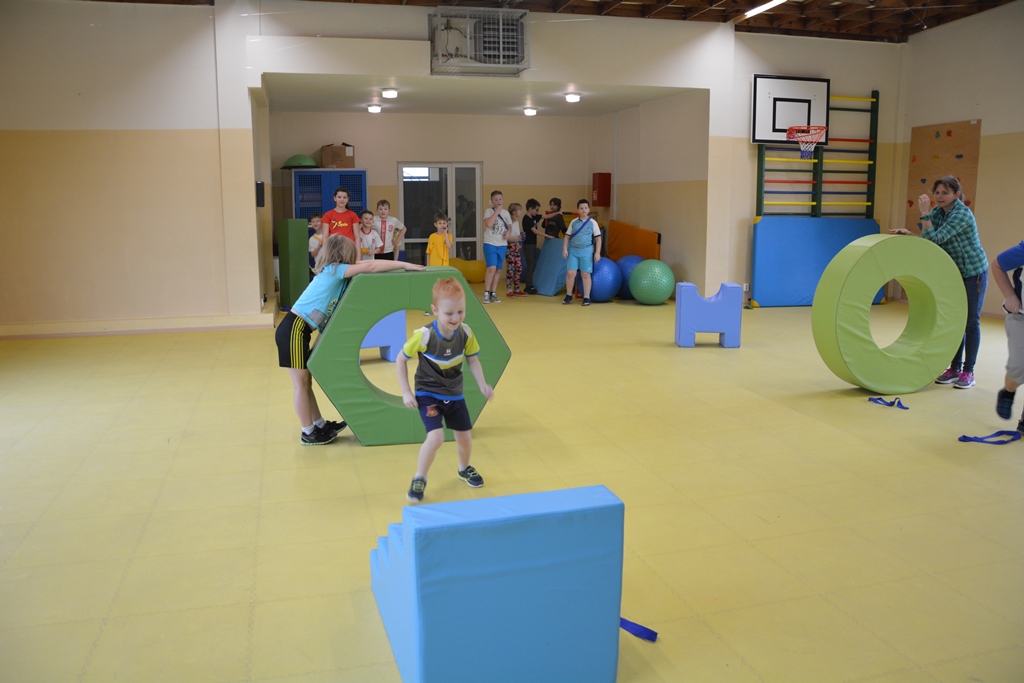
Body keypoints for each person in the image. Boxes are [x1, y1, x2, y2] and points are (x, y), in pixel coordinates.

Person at [275, 235, 424, 445]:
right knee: (301, 385)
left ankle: (319, 425)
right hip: (293, 329)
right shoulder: (334, 270)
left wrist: (400, 264)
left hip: (300, 330)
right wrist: (405, 264)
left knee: (306, 383)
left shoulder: (336, 270)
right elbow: (371, 266)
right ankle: (308, 432)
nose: (356, 257)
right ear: (343, 253)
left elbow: (369, 263)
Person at [397, 277, 494, 503]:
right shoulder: (424, 335)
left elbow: (473, 360)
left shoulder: (466, 333)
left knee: (465, 437)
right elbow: (401, 360)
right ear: (435, 310)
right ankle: (419, 477)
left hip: (454, 393)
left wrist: (482, 384)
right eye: (449, 313)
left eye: (460, 312)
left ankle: (464, 468)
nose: (455, 318)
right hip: (428, 393)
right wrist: (406, 392)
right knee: (436, 437)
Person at [890, 175, 987, 388]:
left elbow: (936, 238)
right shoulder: (937, 213)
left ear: (956, 194)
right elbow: (929, 241)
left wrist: (924, 213)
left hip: (973, 273)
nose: (940, 196)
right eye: (937, 192)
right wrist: (911, 234)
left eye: (945, 193)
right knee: (956, 321)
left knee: (971, 322)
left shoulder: (961, 214)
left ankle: (968, 372)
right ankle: (954, 368)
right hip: (954, 273)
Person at [991, 241, 1024, 429]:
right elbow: (997, 265)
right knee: (1018, 367)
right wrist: (1009, 295)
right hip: (1020, 316)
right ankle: (1008, 392)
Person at [562, 199, 603, 306]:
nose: (583, 210)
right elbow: (567, 236)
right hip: (574, 251)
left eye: (585, 208)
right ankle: (568, 295)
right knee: (571, 273)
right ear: (578, 210)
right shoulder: (573, 222)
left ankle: (586, 297)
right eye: (581, 208)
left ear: (589, 209)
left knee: (585, 274)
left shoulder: (593, 223)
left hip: (587, 251)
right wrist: (565, 249)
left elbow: (598, 239)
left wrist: (597, 252)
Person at [482, 190, 512, 304]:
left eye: (500, 199)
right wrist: (497, 211)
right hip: (490, 243)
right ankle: (486, 292)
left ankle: (493, 293)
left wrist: (508, 232)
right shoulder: (488, 211)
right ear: (492, 201)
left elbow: (509, 226)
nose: (498, 201)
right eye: (496, 200)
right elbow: (489, 224)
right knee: (491, 268)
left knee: (498, 269)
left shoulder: (506, 213)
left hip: (502, 244)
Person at [521, 198, 544, 294]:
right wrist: (546, 235)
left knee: (532, 264)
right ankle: (528, 286)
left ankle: (530, 284)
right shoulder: (526, 219)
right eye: (536, 210)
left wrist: (558, 213)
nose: (537, 212)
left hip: (533, 244)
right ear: (530, 208)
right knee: (530, 264)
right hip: (528, 244)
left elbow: (545, 216)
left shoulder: (534, 217)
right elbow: (535, 231)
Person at [505, 202, 526, 298]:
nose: (521, 212)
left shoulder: (516, 222)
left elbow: (517, 236)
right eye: (519, 210)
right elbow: (507, 238)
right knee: (510, 269)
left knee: (519, 267)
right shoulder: (508, 223)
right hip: (509, 247)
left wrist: (520, 237)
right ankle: (509, 290)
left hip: (515, 247)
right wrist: (518, 238)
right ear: (514, 212)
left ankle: (516, 288)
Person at [307, 213, 324, 282]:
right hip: (318, 266)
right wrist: (319, 246)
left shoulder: (329, 235)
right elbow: (313, 254)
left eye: (317, 221)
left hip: (330, 265)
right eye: (313, 222)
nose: (315, 223)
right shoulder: (312, 239)